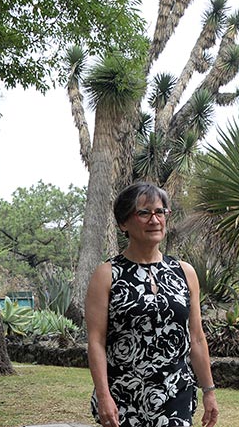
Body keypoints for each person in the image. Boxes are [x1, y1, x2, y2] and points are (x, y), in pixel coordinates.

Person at [85, 182, 219, 427]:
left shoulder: (184, 272)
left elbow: (197, 337)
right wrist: (104, 395)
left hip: (175, 393)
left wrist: (209, 391)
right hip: (123, 396)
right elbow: (96, 341)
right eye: (144, 213)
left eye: (160, 212)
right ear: (124, 223)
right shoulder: (106, 274)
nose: (154, 220)